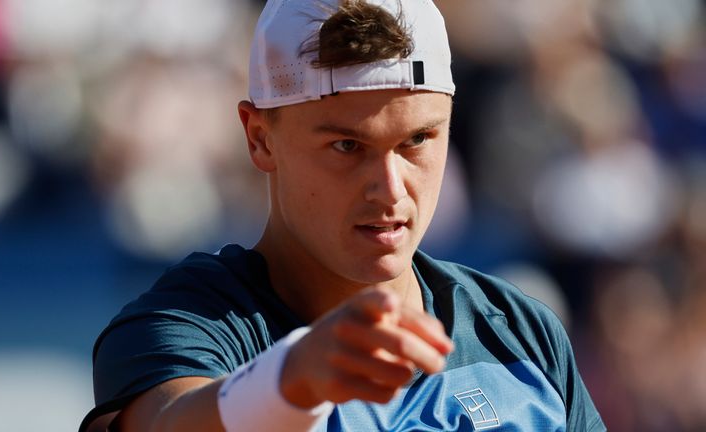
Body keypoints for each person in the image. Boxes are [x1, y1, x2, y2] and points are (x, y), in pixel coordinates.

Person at [80, 0, 605, 431]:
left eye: (418, 139)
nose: (390, 189)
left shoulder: (522, 331)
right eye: (347, 145)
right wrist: (290, 381)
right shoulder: (186, 326)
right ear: (260, 139)